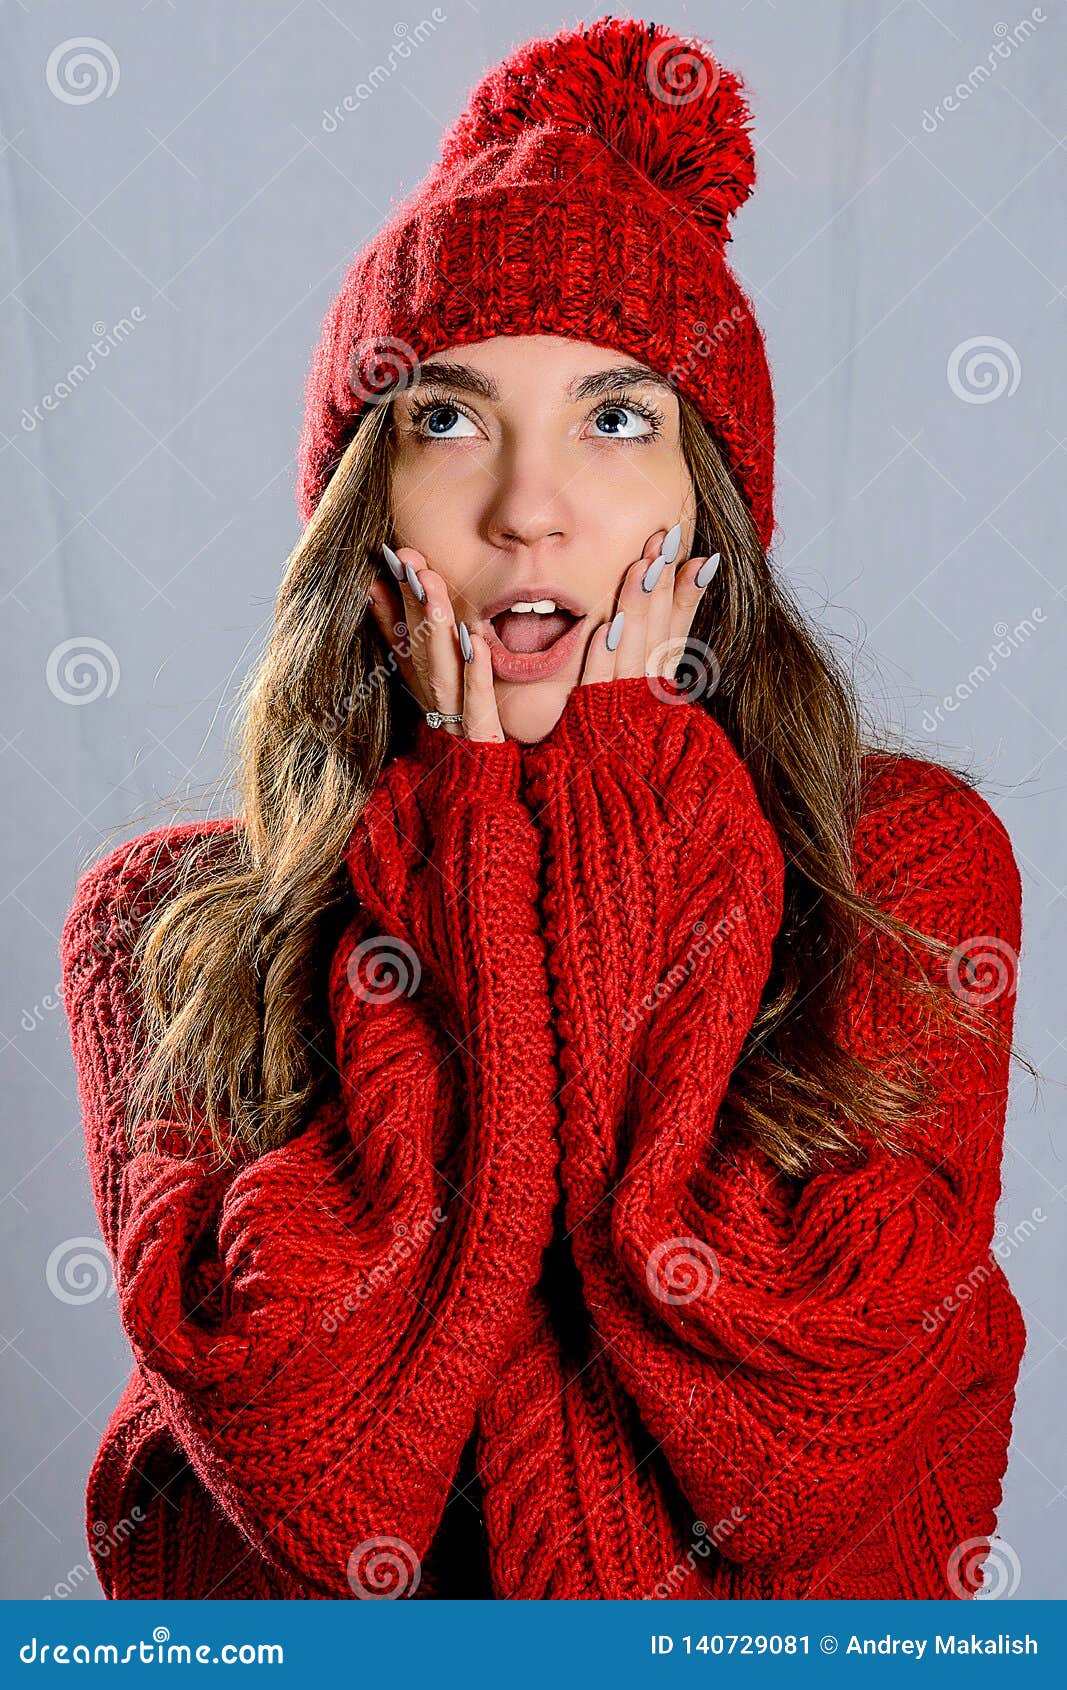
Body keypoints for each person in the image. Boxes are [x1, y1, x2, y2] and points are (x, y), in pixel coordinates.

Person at [60, 16, 1031, 1601]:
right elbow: (314, 1478)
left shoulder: (907, 866)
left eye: (616, 415)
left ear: (707, 495)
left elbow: (809, 1454)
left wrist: (618, 806)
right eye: (444, 419)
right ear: (361, 503)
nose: (526, 503)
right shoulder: (163, 924)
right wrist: (464, 846)